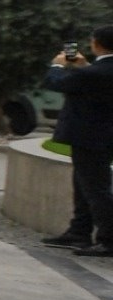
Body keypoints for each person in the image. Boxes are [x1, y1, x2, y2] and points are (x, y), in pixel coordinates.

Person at [42, 27, 113, 256]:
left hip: (87, 137)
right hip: (101, 137)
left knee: (96, 190)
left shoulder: (92, 74)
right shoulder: (97, 71)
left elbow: (56, 82)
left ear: (97, 44)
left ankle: (107, 240)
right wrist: (84, 66)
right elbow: (93, 83)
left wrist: (57, 64)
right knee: (84, 186)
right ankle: (79, 231)